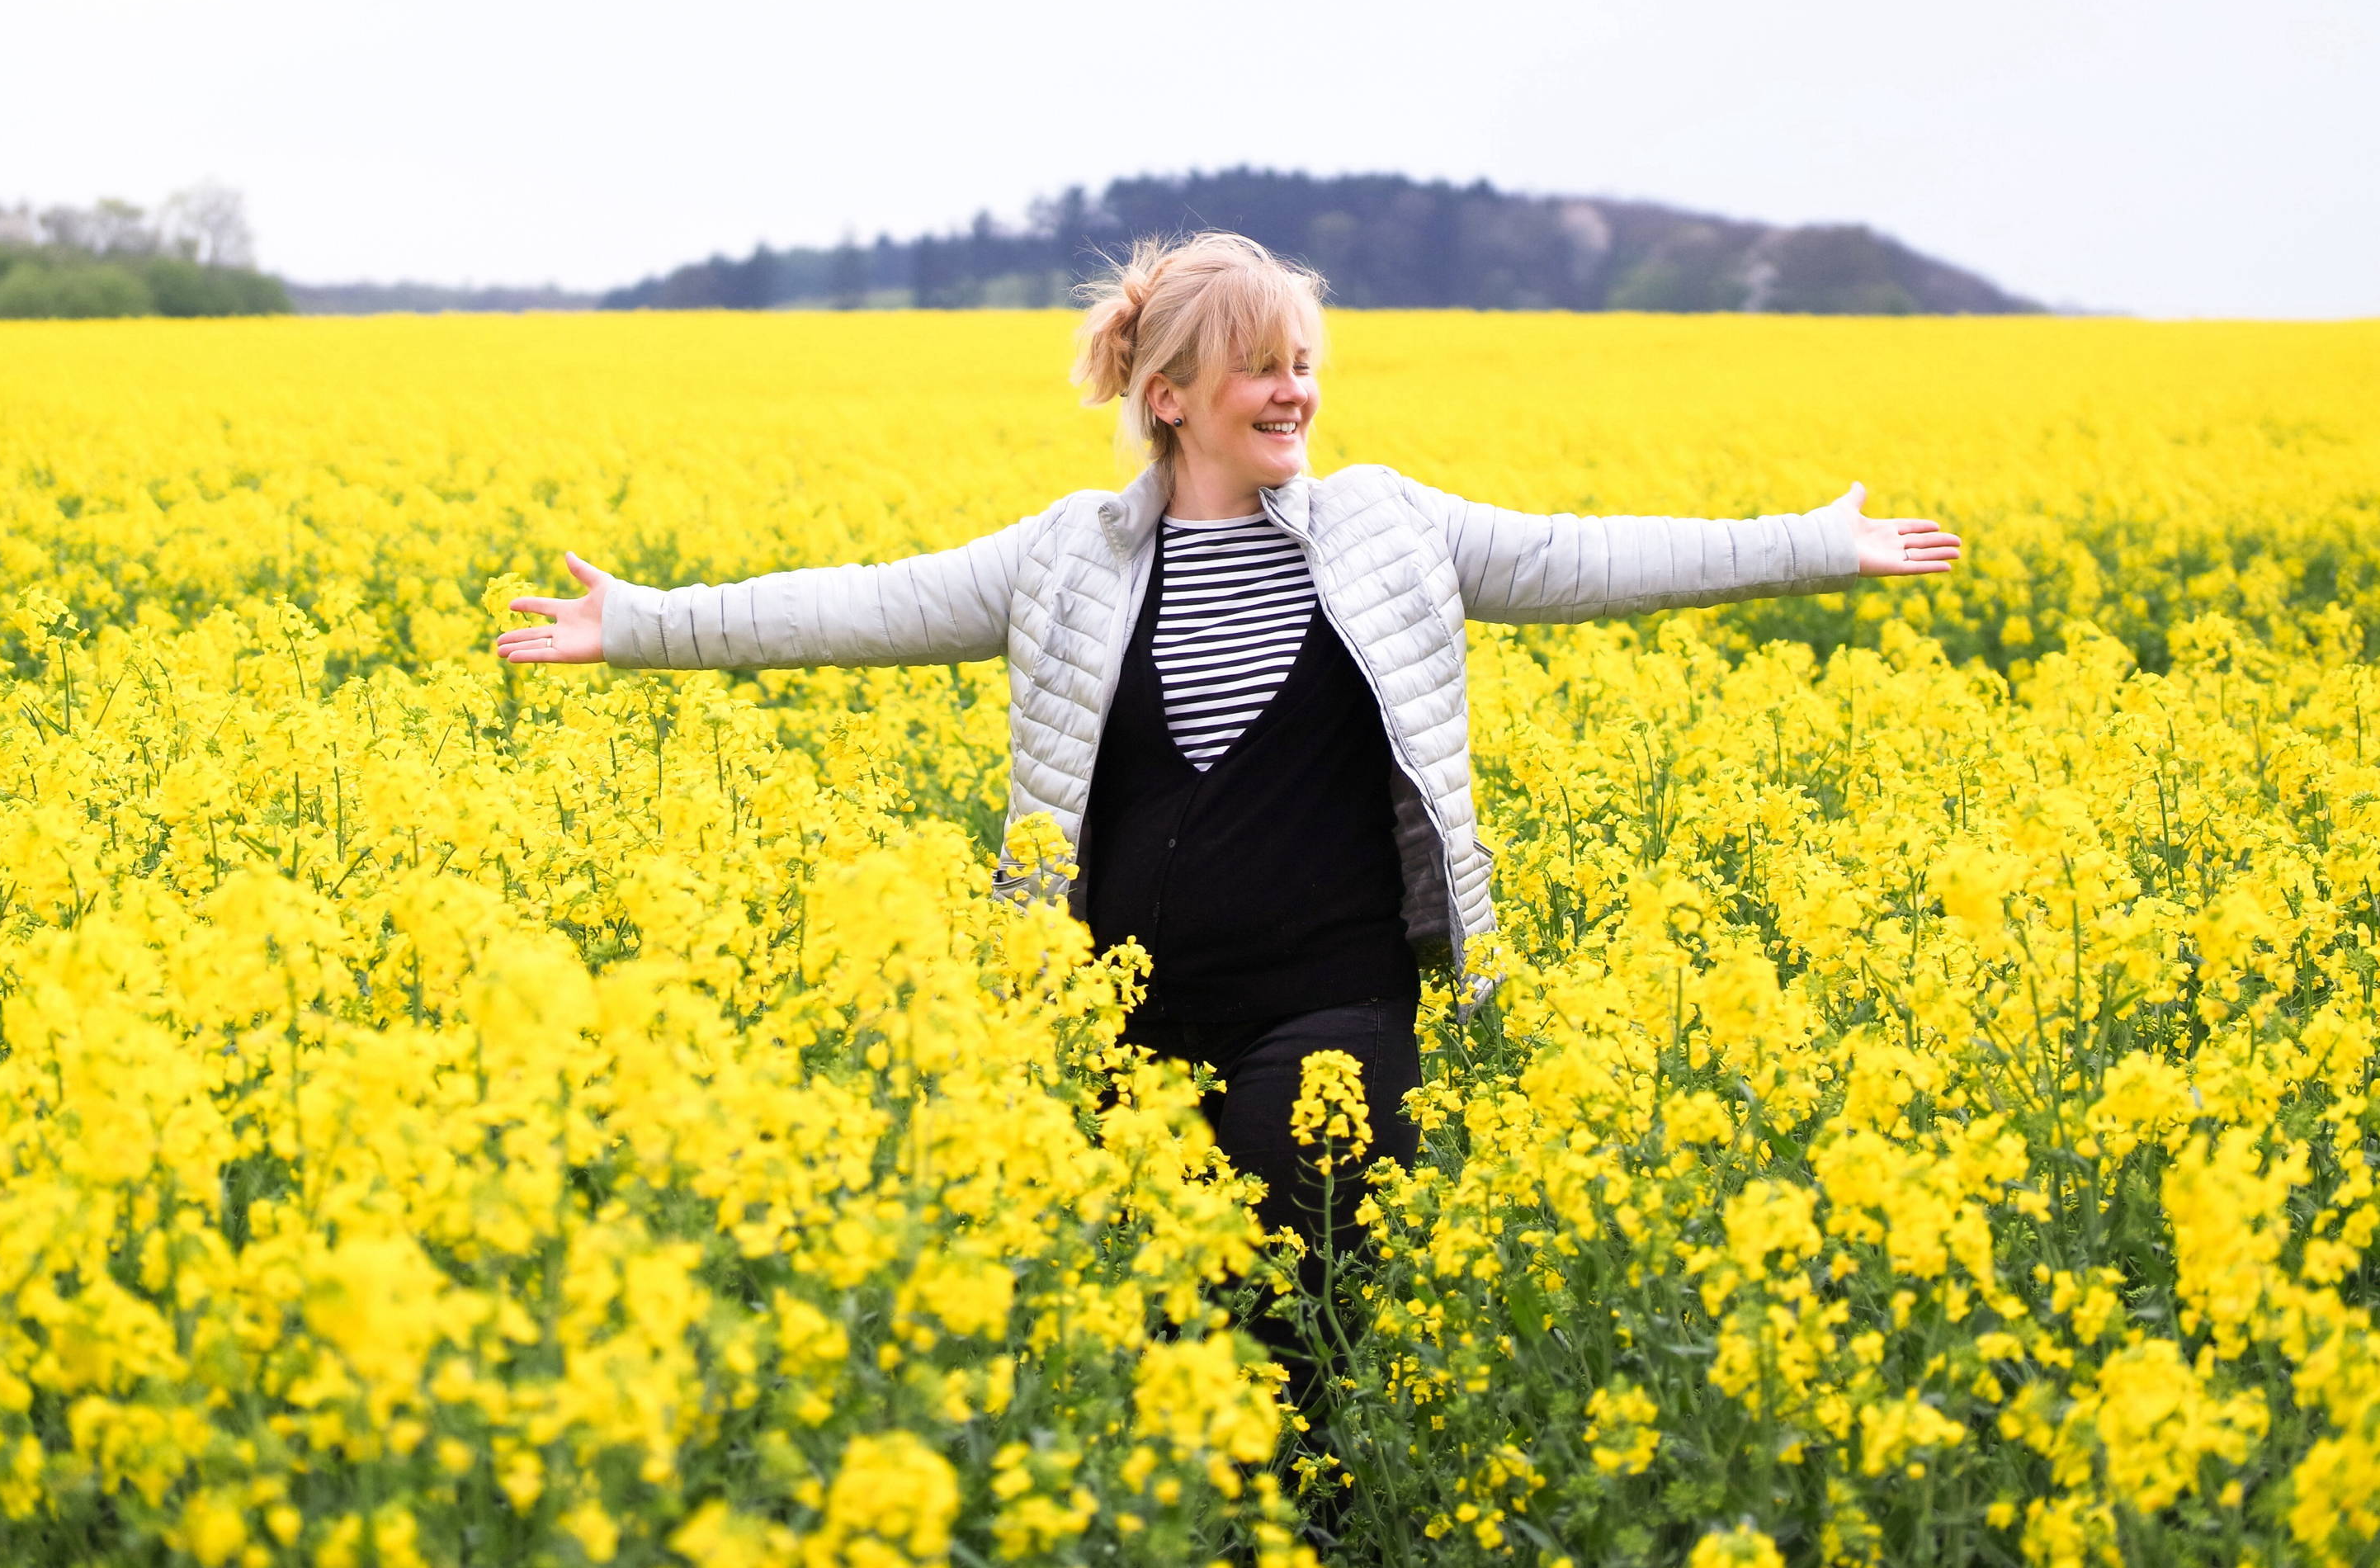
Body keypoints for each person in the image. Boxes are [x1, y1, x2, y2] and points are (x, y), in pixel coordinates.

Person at [493, 229, 1962, 1396]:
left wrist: (1816, 545)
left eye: (1305, 363)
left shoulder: (1393, 527)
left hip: (1331, 1003)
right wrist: (643, 625)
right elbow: (862, 604)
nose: (1295, 393)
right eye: (1261, 367)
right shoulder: (1067, 557)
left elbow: (1586, 560)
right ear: (1170, 396)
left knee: (1277, 1289)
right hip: (1118, 1016)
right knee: (1155, 1333)